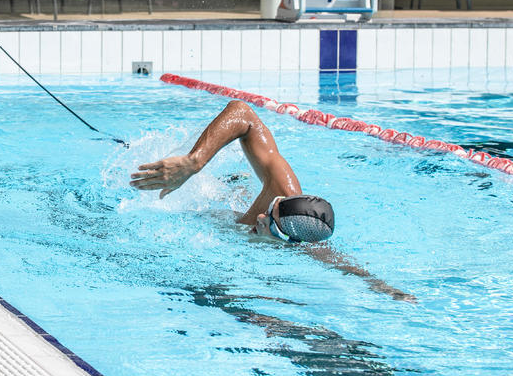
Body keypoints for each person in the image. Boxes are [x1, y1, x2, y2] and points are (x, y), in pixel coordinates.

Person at [131, 100, 414, 302]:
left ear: (293, 240)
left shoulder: (308, 247)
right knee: (234, 201)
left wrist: (384, 288)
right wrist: (195, 162)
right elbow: (242, 112)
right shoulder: (282, 186)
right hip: (222, 207)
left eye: (274, 227)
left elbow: (349, 267)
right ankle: (235, 184)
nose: (262, 218)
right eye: (270, 208)